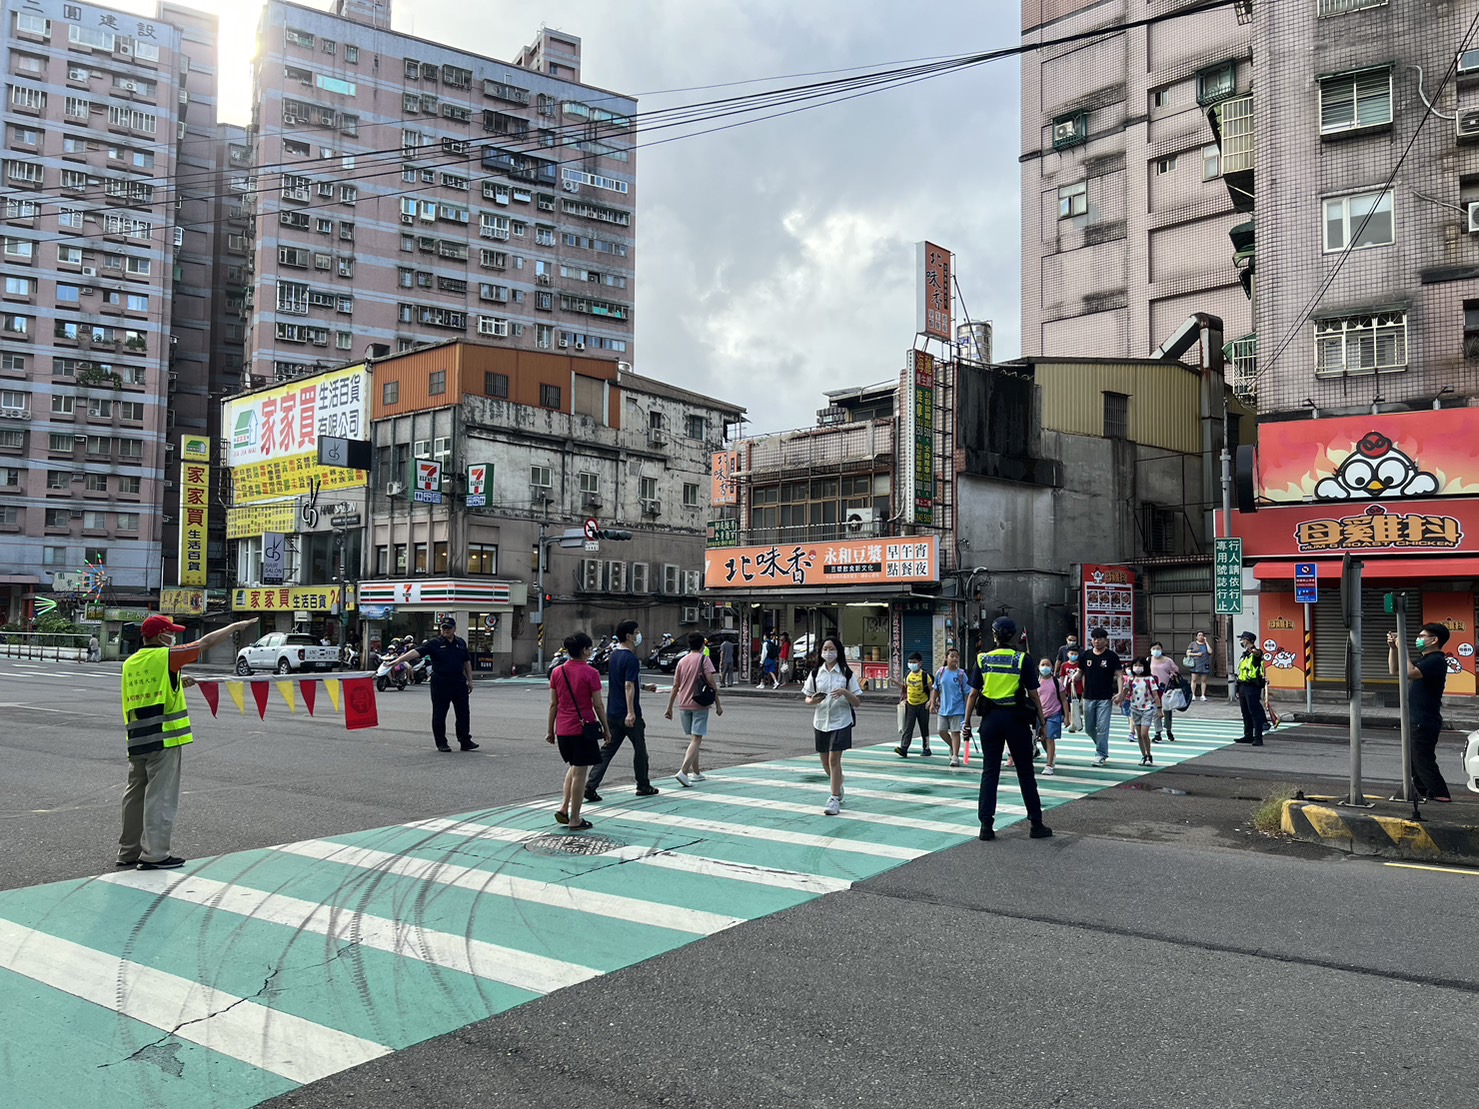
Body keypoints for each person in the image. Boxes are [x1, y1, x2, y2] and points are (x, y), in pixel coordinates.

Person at [118, 614, 259, 870]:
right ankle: (155, 854)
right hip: (164, 738)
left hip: (137, 737)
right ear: (161, 636)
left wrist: (178, 683)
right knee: (160, 797)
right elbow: (204, 643)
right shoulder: (167, 656)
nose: (174, 637)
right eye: (170, 632)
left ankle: (128, 852)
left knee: (135, 795)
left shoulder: (130, 662)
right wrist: (235, 627)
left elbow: (149, 690)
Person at [963, 617, 1053, 841]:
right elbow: (1033, 694)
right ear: (1012, 636)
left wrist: (966, 723)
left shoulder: (983, 659)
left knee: (990, 772)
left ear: (994, 635)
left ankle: (986, 826)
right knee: (1025, 772)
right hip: (1016, 720)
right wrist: (1042, 722)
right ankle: (1036, 823)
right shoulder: (1022, 659)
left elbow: (973, 694)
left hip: (991, 721)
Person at [584, 619, 660, 803]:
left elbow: (622, 682)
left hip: (612, 711)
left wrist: (643, 686)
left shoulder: (615, 655)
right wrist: (631, 712)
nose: (638, 635)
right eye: (637, 632)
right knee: (640, 750)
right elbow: (627, 685)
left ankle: (590, 786)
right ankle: (643, 785)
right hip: (628, 713)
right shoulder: (631, 658)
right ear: (629, 636)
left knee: (607, 750)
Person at [545, 632, 611, 830]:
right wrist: (606, 729)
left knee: (574, 767)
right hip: (583, 730)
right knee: (580, 774)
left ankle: (564, 808)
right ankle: (575, 818)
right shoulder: (591, 673)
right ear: (584, 650)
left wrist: (550, 730)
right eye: (589, 648)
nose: (590, 651)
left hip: (563, 730)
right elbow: (598, 705)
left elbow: (553, 704)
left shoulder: (557, 672)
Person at [384, 616, 478, 753]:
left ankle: (465, 741)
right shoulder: (434, 643)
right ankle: (441, 742)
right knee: (440, 713)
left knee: (463, 712)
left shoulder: (461, 643)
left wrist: (470, 680)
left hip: (458, 681)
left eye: (448, 628)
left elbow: (467, 662)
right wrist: (398, 660)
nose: (445, 631)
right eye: (443, 628)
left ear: (454, 629)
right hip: (441, 681)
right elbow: (415, 653)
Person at [1389, 623, 1452, 803]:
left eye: (1423, 636)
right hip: (1416, 718)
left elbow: (1410, 672)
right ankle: (1424, 792)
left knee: (1422, 760)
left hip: (1424, 720)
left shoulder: (1436, 660)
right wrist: (1394, 649)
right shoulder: (1425, 659)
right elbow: (1395, 671)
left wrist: (1403, 647)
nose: (1419, 639)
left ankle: (1441, 794)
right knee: (1413, 761)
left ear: (1434, 640)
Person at [803, 633, 862, 816]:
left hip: (841, 721)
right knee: (824, 760)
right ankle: (838, 784)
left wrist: (845, 692)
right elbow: (807, 697)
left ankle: (834, 797)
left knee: (833, 759)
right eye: (825, 649)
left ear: (838, 652)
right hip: (821, 721)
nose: (828, 652)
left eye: (832, 649)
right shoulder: (815, 673)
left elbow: (857, 701)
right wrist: (813, 700)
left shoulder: (847, 673)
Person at [667, 631, 722, 786]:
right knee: (697, 739)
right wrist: (718, 703)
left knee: (693, 739)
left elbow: (675, 686)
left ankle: (696, 772)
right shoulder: (704, 660)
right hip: (699, 703)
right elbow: (711, 682)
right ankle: (683, 771)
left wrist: (669, 707)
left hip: (683, 703)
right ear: (702, 645)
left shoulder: (682, 661)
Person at [1079, 627, 1123, 766]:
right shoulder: (1086, 655)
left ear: (1106, 640)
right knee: (1089, 728)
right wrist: (1073, 678)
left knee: (1102, 727)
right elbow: (1080, 673)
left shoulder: (1111, 656)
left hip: (1105, 698)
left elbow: (1119, 675)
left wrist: (1120, 692)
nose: (1096, 641)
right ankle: (1101, 746)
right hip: (1088, 696)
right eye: (1094, 638)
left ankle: (1101, 754)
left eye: (1099, 639)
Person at [931, 647, 971, 766]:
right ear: (946, 658)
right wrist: (933, 702)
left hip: (957, 708)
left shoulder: (961, 674)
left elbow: (968, 693)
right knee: (941, 731)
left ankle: (955, 756)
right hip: (943, 708)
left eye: (956, 656)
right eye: (952, 656)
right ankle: (952, 747)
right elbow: (936, 688)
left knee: (955, 732)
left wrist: (968, 709)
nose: (954, 658)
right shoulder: (941, 672)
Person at [1122, 658, 1163, 766]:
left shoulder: (1150, 679)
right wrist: (1119, 698)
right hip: (1135, 708)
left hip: (1147, 708)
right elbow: (1125, 691)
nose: (1137, 668)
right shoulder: (1131, 679)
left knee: (1144, 733)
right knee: (1139, 734)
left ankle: (1149, 754)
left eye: (1140, 665)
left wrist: (1159, 709)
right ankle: (1144, 755)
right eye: (1135, 665)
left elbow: (1155, 695)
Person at [894, 651, 934, 758]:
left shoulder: (925, 675)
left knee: (924, 727)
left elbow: (932, 689)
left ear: (920, 663)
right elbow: (904, 688)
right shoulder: (908, 674)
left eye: (914, 662)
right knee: (908, 727)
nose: (912, 664)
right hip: (910, 705)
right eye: (910, 662)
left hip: (923, 705)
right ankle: (904, 748)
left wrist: (931, 701)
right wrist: (894, 682)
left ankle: (926, 748)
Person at [1234, 631, 1268, 746]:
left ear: (1248, 640)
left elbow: (1258, 654)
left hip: (1252, 686)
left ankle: (1258, 737)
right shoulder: (1244, 655)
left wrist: (1254, 650)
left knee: (1254, 712)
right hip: (1243, 686)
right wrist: (1237, 689)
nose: (1241, 642)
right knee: (1245, 713)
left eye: (1243, 639)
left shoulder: (1255, 653)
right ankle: (1248, 735)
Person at [1033, 658, 1062, 775]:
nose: (1045, 667)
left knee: (1050, 738)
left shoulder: (1056, 682)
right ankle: (1051, 755)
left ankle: (1049, 765)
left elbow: (1064, 699)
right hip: (1039, 715)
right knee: (1043, 739)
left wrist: (1067, 716)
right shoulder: (1035, 682)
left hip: (1054, 713)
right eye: (1043, 664)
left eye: (1048, 665)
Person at [1148, 641, 1181, 743]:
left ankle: (1169, 730)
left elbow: (1176, 670)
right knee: (1156, 710)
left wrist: (1173, 675)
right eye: (1154, 649)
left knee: (1167, 710)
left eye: (1158, 648)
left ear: (1161, 649)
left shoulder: (1168, 661)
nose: (1156, 651)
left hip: (1167, 688)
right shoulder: (1149, 660)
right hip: (1154, 689)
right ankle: (1158, 732)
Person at [1059, 644, 1083, 732]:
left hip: (1078, 689)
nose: (1073, 656)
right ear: (1068, 654)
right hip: (1068, 689)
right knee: (1069, 705)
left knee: (1076, 705)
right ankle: (1072, 723)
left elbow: (1083, 676)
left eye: (1075, 654)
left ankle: (1077, 720)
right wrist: (1061, 687)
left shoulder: (1080, 665)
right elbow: (1062, 676)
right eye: (1071, 653)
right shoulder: (1064, 665)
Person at [1185, 630, 1213, 702]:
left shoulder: (1205, 644)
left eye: (1202, 635)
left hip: (1204, 664)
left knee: (1203, 680)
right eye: (1199, 635)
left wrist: (1206, 642)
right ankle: (1193, 694)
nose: (1201, 636)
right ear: (1196, 637)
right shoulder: (1192, 644)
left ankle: (1203, 695)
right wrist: (1196, 654)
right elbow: (1188, 653)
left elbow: (1210, 652)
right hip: (1195, 664)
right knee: (1194, 680)